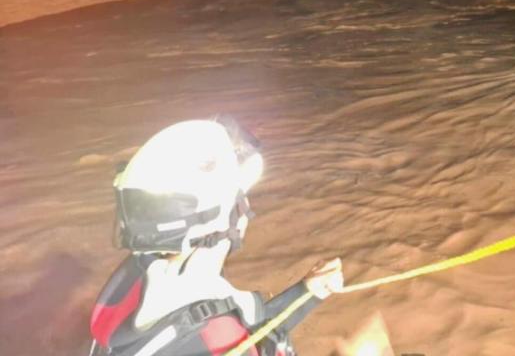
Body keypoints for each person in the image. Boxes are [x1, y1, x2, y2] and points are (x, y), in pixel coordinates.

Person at [89, 117, 344, 356]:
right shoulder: (214, 337)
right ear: (220, 222)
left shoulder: (140, 277)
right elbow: (227, 336)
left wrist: (306, 293)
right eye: (241, 203)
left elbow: (244, 331)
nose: (246, 213)